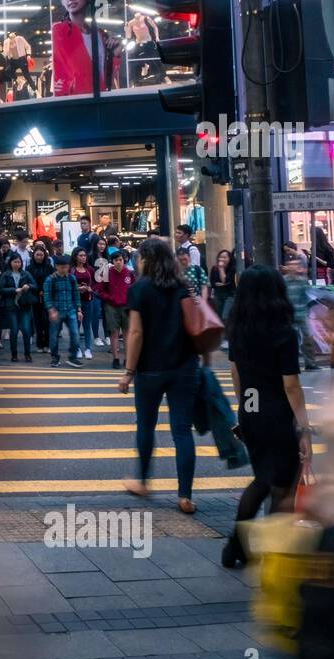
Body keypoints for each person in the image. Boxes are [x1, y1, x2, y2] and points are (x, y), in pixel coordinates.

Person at [222, 265, 313, 567]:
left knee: (261, 478)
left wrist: (245, 410)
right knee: (282, 487)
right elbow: (291, 385)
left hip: (251, 410)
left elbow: (236, 373)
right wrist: (304, 427)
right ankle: (273, 555)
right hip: (277, 413)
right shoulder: (284, 332)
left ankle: (237, 544)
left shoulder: (238, 328)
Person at [119, 238, 201, 514]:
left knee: (146, 425)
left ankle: (142, 482)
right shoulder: (181, 286)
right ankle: (185, 496)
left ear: (146, 259)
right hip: (184, 367)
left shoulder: (139, 288)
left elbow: (136, 333)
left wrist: (128, 372)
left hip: (150, 369)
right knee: (182, 432)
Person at [97, 249, 135, 370]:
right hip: (111, 306)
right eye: (116, 260)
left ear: (124, 261)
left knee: (127, 334)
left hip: (126, 306)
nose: (118, 262)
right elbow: (101, 290)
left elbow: (134, 289)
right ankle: (116, 358)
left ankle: (128, 359)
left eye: (120, 260)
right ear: (112, 261)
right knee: (114, 333)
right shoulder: (107, 273)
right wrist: (110, 298)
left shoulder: (129, 273)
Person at [44, 255, 84, 368]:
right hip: (56, 310)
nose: (64, 269)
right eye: (62, 267)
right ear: (56, 267)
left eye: (66, 267)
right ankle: (55, 357)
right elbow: (47, 297)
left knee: (75, 334)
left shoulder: (72, 278)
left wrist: (79, 310)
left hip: (70, 310)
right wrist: (51, 310)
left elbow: (76, 295)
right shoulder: (50, 279)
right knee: (53, 336)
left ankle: (72, 357)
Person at [282, 255, 321, 371]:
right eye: (291, 265)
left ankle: (310, 364)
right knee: (289, 341)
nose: (293, 267)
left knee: (307, 339)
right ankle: (290, 364)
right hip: (288, 315)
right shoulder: (284, 281)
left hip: (301, 314)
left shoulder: (303, 281)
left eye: (295, 265)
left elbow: (307, 296)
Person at [0, 254, 37, 362]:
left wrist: (28, 286)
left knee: (26, 329)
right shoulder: (6, 275)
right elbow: (1, 289)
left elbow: (35, 286)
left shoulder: (26, 274)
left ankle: (27, 354)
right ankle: (14, 354)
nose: (17, 264)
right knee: (14, 330)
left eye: (19, 262)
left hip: (24, 305)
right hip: (11, 306)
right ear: (10, 262)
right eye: (15, 262)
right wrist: (14, 290)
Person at [71, 247, 97, 360]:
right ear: (75, 257)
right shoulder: (71, 270)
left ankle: (88, 349)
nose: (83, 257)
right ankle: (76, 348)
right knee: (76, 326)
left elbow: (96, 283)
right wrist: (77, 288)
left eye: (84, 255)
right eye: (81, 255)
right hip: (75, 301)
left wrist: (90, 288)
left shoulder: (90, 270)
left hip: (88, 299)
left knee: (87, 325)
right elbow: (68, 284)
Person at [210, 249, 236, 325]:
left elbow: (227, 281)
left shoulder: (232, 269)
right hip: (218, 295)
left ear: (229, 259)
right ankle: (222, 334)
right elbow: (213, 283)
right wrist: (222, 283)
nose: (222, 259)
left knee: (225, 316)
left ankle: (228, 334)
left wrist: (221, 269)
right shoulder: (214, 269)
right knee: (219, 316)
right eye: (220, 257)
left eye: (224, 257)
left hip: (229, 295)